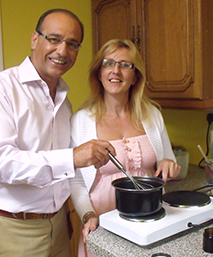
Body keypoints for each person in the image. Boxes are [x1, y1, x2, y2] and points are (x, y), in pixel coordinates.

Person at [0, 8, 115, 257]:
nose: (62, 51)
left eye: (72, 44)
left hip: (58, 224)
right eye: (54, 39)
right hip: (12, 228)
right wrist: (73, 157)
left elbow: (65, 174)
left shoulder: (64, 102)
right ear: (35, 39)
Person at [69, 39, 181, 257]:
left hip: (150, 217)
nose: (116, 71)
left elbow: (168, 163)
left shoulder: (152, 115)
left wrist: (170, 165)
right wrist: (88, 214)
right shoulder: (81, 120)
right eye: (108, 63)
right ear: (99, 72)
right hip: (101, 219)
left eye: (125, 65)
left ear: (135, 76)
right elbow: (75, 180)